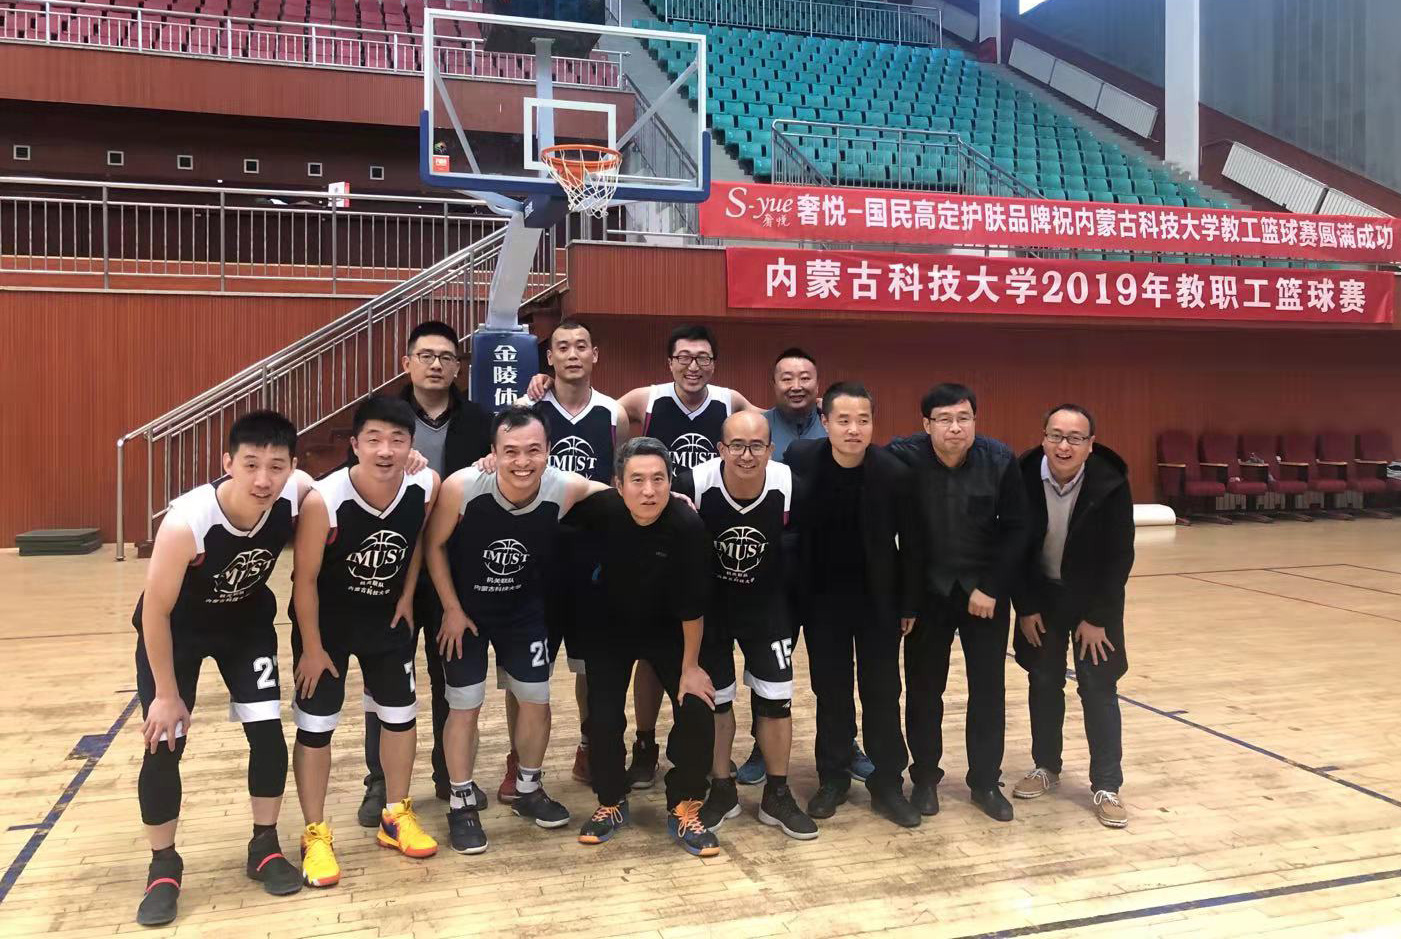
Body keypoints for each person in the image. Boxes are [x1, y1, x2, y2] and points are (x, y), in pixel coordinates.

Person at [528, 323, 759, 791]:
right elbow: (601, 438)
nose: (693, 365)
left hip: (692, 539)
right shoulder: (639, 401)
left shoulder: (729, 400)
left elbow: (763, 425)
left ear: (714, 363)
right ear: (669, 362)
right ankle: (620, 746)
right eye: (683, 357)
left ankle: (669, 754)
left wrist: (818, 410)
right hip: (611, 544)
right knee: (600, 668)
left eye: (702, 357)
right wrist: (543, 385)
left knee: (670, 656)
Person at [130, 411, 313, 927]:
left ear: (291, 466)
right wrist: (166, 694)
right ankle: (163, 865)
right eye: (250, 465)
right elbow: (154, 612)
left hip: (245, 628)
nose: (263, 479)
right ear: (227, 462)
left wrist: (412, 459)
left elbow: (341, 483)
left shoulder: (298, 490)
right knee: (164, 742)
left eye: (275, 466)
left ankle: (264, 846)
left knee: (269, 735)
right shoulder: (187, 521)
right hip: (178, 632)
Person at [422, 407, 609, 855]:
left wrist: (672, 497)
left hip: (523, 612)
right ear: (493, 452)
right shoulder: (463, 486)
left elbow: (618, 492)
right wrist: (450, 608)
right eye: (510, 452)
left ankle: (528, 788)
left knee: (536, 699)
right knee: (464, 705)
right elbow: (434, 545)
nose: (523, 461)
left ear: (549, 451)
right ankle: (461, 802)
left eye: (533, 451)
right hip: (467, 613)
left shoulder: (563, 486)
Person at [289, 396, 440, 889]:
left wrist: (408, 595)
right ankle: (315, 834)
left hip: (385, 619)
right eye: (373, 439)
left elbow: (416, 541)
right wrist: (312, 648)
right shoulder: (324, 499)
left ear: (411, 445)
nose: (385, 450)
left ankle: (395, 815)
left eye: (397, 440)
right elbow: (303, 580)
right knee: (316, 728)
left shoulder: (426, 483)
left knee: (400, 716)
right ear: (354, 445)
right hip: (327, 627)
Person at [356, 320, 492, 827]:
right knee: (383, 679)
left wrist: (492, 462)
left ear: (458, 368)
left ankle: (448, 774)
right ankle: (379, 783)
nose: (436, 365)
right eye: (426, 355)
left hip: (455, 567)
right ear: (407, 362)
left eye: (446, 357)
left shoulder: (481, 421)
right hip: (391, 567)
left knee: (449, 673)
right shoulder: (385, 421)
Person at [496, 318, 631, 804]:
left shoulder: (614, 413)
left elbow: (621, 481)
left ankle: (590, 749)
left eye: (581, 346)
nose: (572, 354)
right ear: (548, 358)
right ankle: (518, 760)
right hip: (534, 560)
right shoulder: (526, 410)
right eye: (562, 347)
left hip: (593, 562)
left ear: (595, 354)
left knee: (591, 668)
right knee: (524, 674)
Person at [566, 437, 722, 857]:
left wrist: (691, 667)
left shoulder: (687, 525)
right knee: (601, 717)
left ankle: (685, 803)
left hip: (670, 629)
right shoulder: (599, 510)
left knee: (698, 703)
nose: (649, 491)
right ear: (618, 485)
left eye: (658, 479)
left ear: (671, 481)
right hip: (610, 628)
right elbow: (545, 496)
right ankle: (611, 802)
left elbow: (694, 605)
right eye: (637, 480)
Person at [887, 383, 1028, 823]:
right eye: (944, 419)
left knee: (988, 689)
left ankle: (985, 782)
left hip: (983, 594)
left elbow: (1018, 528)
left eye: (964, 418)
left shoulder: (999, 459)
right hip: (927, 595)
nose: (955, 428)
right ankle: (924, 778)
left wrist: (992, 587)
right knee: (924, 689)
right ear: (926, 424)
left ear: (974, 421)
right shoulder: (902, 458)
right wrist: (904, 601)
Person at [785, 383, 922, 828]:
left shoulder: (894, 472)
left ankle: (888, 785)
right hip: (822, 601)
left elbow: (913, 544)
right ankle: (833, 778)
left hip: (877, 603)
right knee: (831, 692)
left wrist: (909, 603)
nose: (853, 429)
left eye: (863, 420)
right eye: (843, 420)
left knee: (883, 693)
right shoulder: (801, 459)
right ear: (824, 421)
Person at [676, 411, 818, 841]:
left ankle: (777, 793)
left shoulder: (791, 486)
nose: (746, 454)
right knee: (716, 702)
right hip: (713, 609)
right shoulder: (693, 484)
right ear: (721, 448)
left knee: (776, 702)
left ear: (771, 449)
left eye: (757, 445)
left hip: (768, 607)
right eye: (736, 445)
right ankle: (722, 788)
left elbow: (812, 549)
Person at [741, 348, 872, 788]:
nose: (795, 385)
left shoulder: (837, 424)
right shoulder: (756, 426)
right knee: (768, 665)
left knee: (833, 671)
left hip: (823, 572)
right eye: (786, 377)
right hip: (771, 569)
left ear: (818, 384)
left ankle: (845, 744)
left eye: (804, 377)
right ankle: (762, 746)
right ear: (773, 384)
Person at [1011, 405, 1134, 829]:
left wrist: (1098, 617)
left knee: (1098, 687)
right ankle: (1046, 765)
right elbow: (1013, 547)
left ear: (1090, 444)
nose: (1064, 446)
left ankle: (1107, 785)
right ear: (1043, 437)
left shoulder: (1110, 483)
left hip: (1093, 602)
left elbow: (1119, 555)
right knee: (1043, 681)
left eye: (1075, 438)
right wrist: (1025, 606)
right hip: (1041, 599)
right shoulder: (1023, 476)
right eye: (1056, 435)